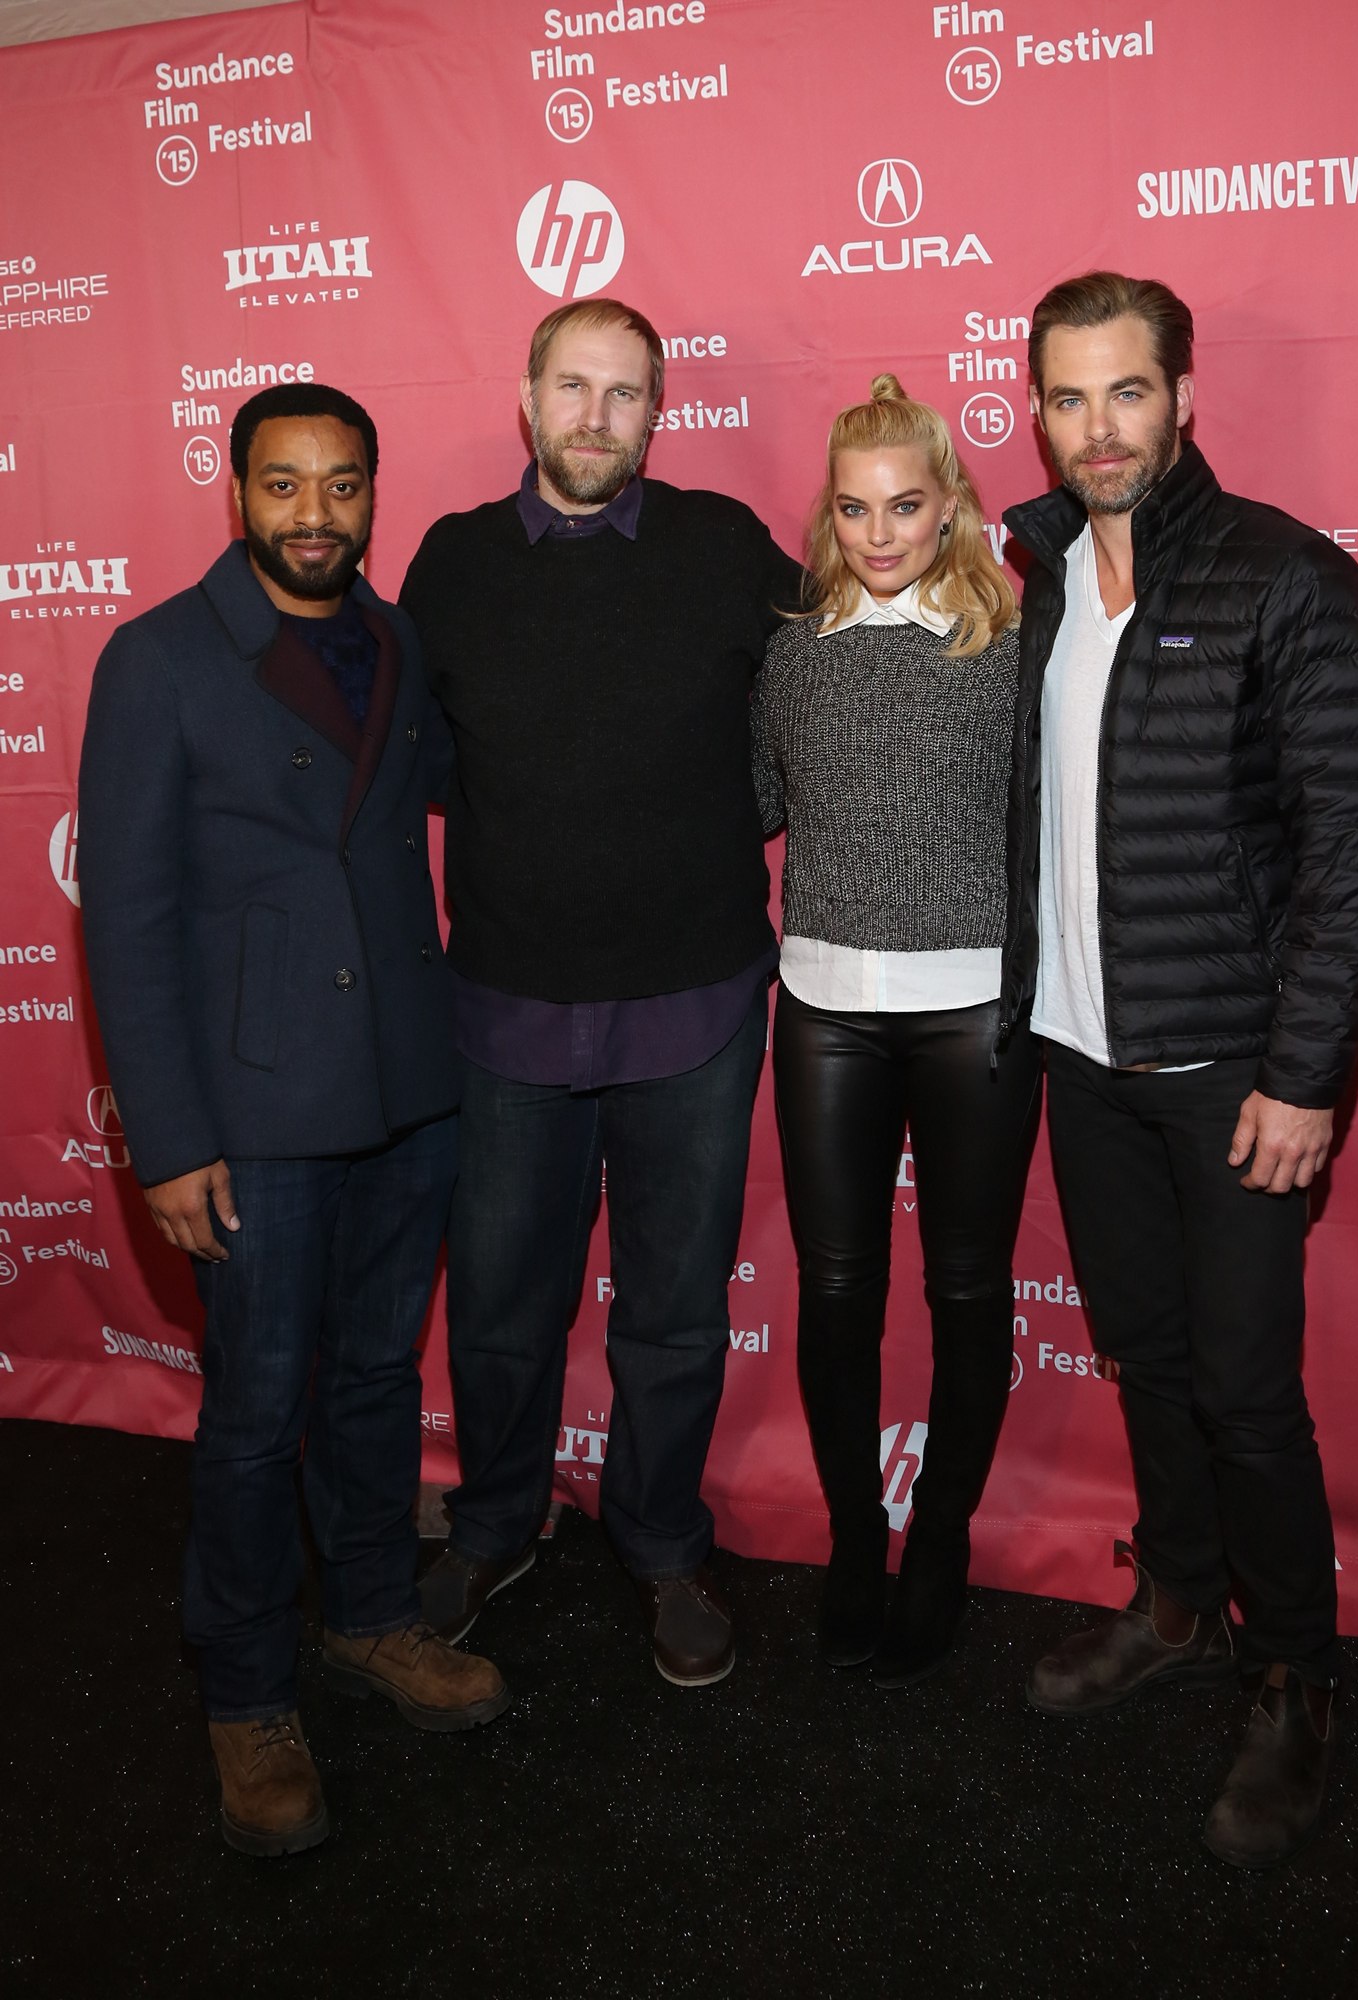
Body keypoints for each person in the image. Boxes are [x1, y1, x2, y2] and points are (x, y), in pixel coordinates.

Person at [999, 273, 1358, 1866]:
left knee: (1243, 1390)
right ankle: (1175, 1598)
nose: (1099, 428)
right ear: (1039, 411)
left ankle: (1294, 1673)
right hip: (1083, 1058)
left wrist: (1302, 1079)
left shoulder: (1285, 575)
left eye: (1128, 391)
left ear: (1181, 397)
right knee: (1151, 1360)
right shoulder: (1038, 578)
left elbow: (1351, 849)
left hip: (1233, 1068)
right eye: (1069, 397)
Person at [78, 384, 508, 1860]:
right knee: (258, 1414)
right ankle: (247, 1692)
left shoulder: (396, 638)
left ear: (371, 494)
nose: (314, 514)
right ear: (237, 491)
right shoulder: (157, 659)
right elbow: (125, 919)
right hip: (253, 1110)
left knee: (378, 1375)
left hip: (406, 1089)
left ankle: (372, 1613)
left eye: (341, 485)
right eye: (285, 484)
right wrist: (170, 1139)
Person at [401, 299, 803, 1686]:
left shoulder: (726, 546)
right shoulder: (451, 562)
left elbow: (829, 693)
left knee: (674, 1311)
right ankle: (495, 1524)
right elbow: (418, 761)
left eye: (625, 393)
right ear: (527, 399)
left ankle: (662, 1541)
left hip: (694, 1005)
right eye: (573, 386)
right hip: (505, 1006)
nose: (595, 416)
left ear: (657, 413)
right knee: (500, 1305)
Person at [753, 376, 1040, 1687]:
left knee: (969, 1287)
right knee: (835, 1287)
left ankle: (942, 1539)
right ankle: (856, 1535)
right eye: (856, 509)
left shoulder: (1011, 649)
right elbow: (755, 798)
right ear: (831, 514)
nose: (879, 533)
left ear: (950, 508)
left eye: (905, 507)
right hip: (824, 1008)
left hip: (975, 1008)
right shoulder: (792, 652)